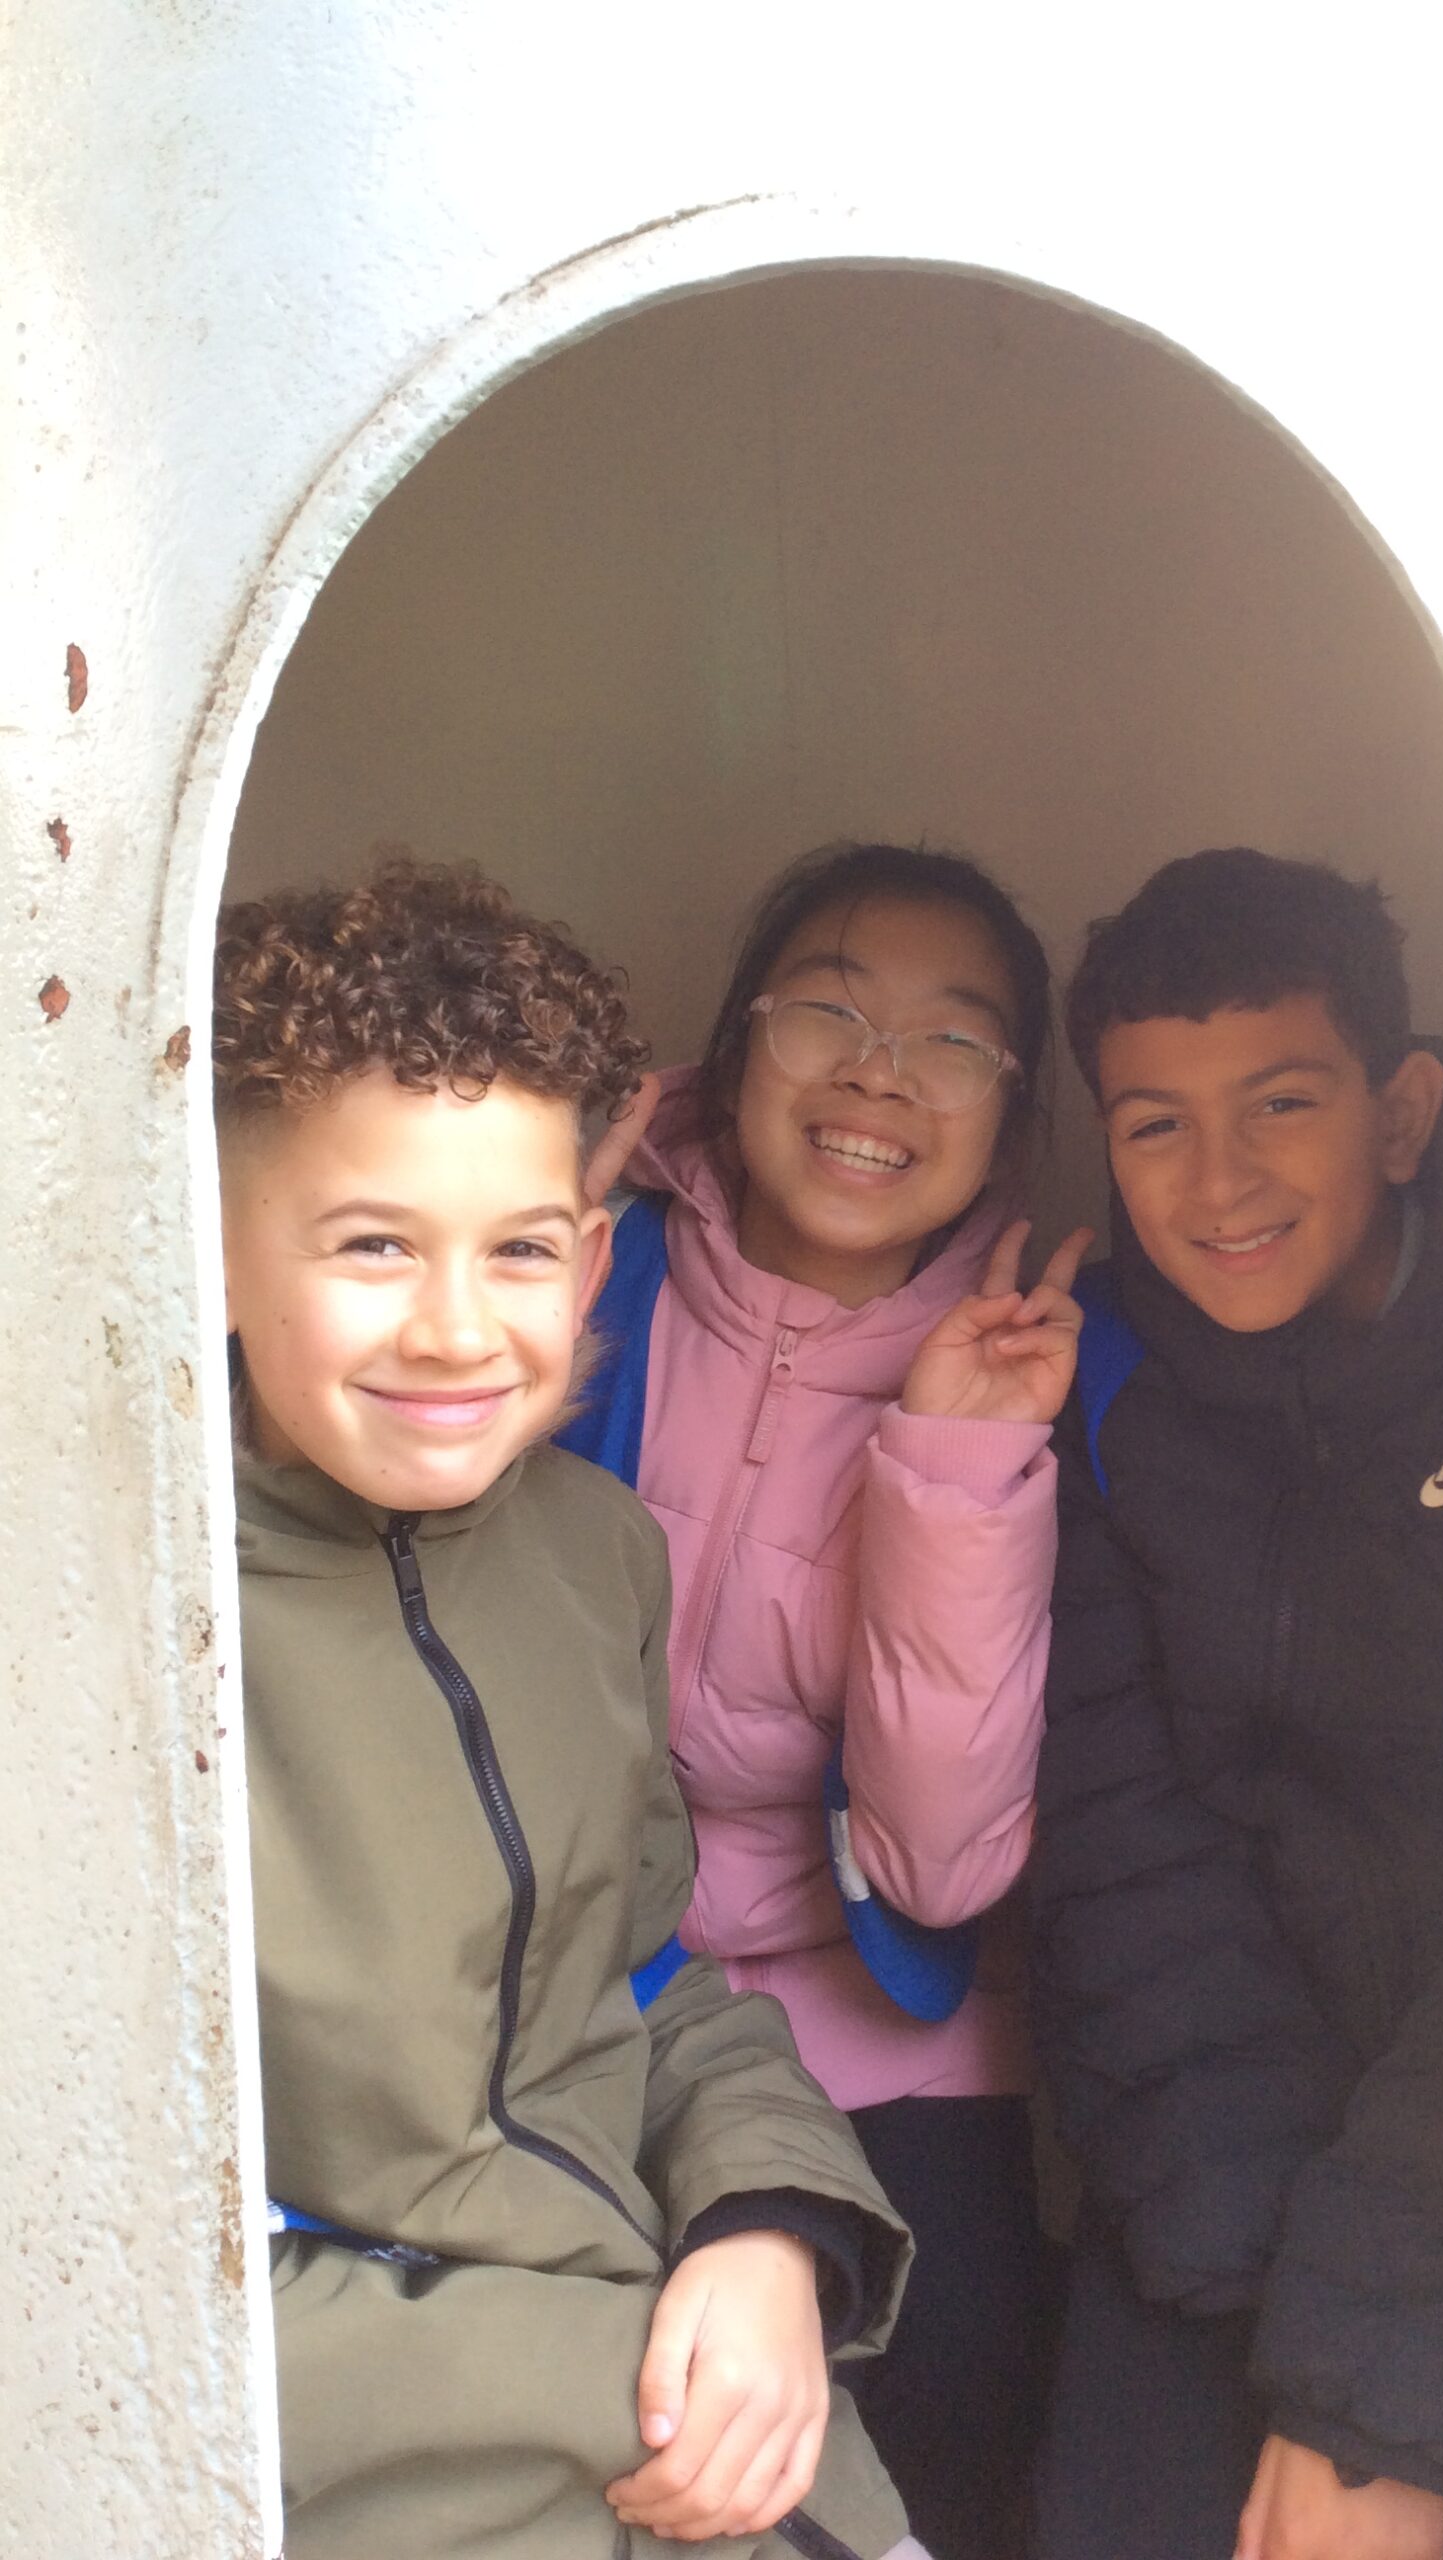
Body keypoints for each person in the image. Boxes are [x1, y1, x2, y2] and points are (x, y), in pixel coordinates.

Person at [217, 857, 930, 2560]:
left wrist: (767, 2229)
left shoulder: (597, 1556)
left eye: (520, 1250)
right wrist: (604, 2370)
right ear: (209, 1246)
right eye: (375, 1245)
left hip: (713, 2439)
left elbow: (645, 1985)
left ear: (593, 1258)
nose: (456, 1330)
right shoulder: (106, 1623)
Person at [1028, 851, 1443, 2560]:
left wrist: (1380, 2370)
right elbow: (1122, 1856)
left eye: (1281, 1104)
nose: (1219, 1181)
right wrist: (1283, 2297)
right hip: (1220, 2166)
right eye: (1155, 1124)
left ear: (1403, 1111)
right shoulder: (1102, 1388)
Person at [570, 842, 1089, 2560]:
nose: (880, 1076)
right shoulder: (590, 1268)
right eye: (830, 1013)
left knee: (943, 2408)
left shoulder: (1038, 1366)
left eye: (953, 1041)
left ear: (1010, 1120)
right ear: (737, 1049)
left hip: (892, 2028)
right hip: (589, 1986)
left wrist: (953, 1461)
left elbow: (940, 1871)